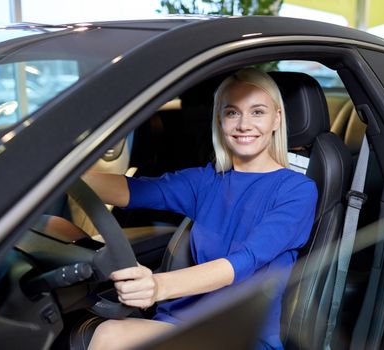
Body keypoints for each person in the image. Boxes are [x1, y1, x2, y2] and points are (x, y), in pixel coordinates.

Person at [85, 68, 318, 350]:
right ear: (219, 120)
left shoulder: (297, 190)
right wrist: (57, 177)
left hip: (238, 336)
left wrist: (157, 286)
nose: (244, 124)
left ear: (276, 119)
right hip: (179, 324)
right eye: (232, 112)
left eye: (257, 112)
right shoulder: (207, 181)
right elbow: (133, 191)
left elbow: (243, 262)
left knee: (110, 335)